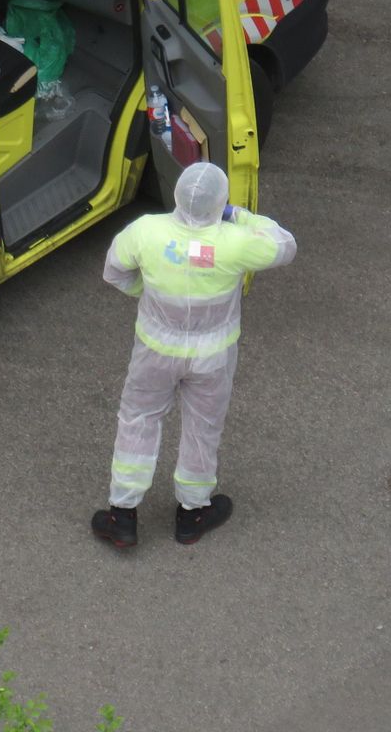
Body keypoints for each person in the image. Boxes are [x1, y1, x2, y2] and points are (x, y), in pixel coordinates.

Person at [92, 161, 296, 548]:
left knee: (138, 419)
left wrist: (147, 296)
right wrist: (240, 215)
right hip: (213, 357)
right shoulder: (236, 243)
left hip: (154, 349)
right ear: (219, 202)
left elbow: (115, 272)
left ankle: (122, 515)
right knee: (203, 427)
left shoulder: (145, 231)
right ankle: (192, 513)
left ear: (177, 195)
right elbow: (285, 244)